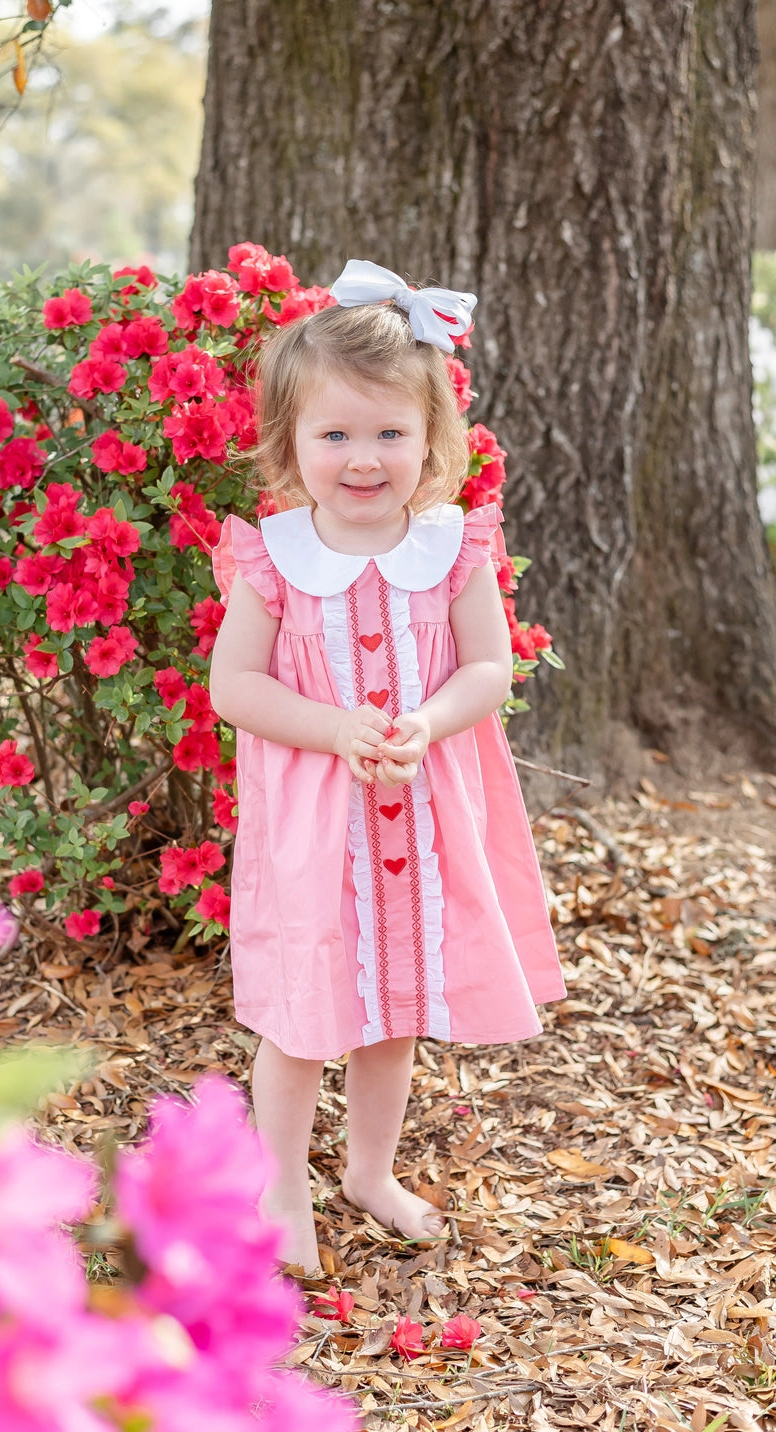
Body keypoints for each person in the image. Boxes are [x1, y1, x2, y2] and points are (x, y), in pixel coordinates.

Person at [208, 260, 565, 1275]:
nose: (362, 460)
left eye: (387, 435)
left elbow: (488, 665)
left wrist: (426, 717)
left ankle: (369, 1169)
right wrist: (331, 728)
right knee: (303, 1014)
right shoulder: (275, 561)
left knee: (392, 1011)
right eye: (334, 436)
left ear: (430, 441)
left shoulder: (449, 548)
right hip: (317, 830)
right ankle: (278, 1184)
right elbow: (232, 685)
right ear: (289, 445)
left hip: (417, 812)